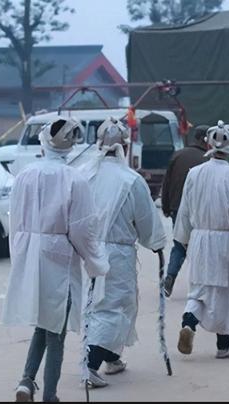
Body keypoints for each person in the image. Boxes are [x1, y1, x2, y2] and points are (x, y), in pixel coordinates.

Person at [1, 117, 109, 402]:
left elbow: (15, 221)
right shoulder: (75, 179)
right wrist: (96, 262)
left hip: (28, 254)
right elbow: (83, 229)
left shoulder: (24, 174)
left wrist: (19, 259)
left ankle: (26, 381)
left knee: (45, 323)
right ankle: (50, 394)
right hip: (58, 258)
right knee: (55, 331)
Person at [83, 117, 167, 387]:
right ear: (125, 146)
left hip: (86, 249)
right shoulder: (131, 180)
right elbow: (146, 221)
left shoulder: (84, 174)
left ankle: (111, 357)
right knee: (114, 306)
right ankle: (91, 365)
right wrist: (156, 243)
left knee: (94, 307)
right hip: (116, 253)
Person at [175, 120, 229, 358]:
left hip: (200, 239)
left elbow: (184, 210)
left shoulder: (194, 174)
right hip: (226, 241)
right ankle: (224, 346)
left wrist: (182, 239)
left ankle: (189, 323)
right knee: (228, 293)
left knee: (199, 290)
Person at [161, 125, 209, 297]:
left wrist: (166, 206)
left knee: (179, 245)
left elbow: (167, 183)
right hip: (199, 211)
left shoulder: (178, 155)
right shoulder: (208, 160)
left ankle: (170, 276)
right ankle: (200, 284)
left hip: (176, 209)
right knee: (200, 247)